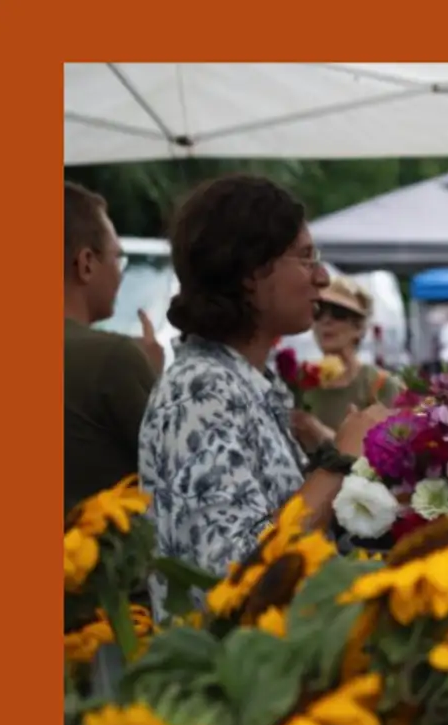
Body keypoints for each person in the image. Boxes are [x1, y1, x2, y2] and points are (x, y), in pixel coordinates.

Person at [138, 174, 390, 580]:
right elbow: (232, 571)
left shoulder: (245, 383)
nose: (322, 278)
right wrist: (338, 462)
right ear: (251, 271)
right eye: (306, 258)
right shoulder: (200, 391)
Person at [63, 181, 163, 515]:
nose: (119, 273)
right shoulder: (112, 359)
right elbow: (177, 475)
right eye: (117, 257)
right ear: (86, 263)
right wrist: (152, 374)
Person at [289, 276, 401, 444]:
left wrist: (322, 434)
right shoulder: (299, 381)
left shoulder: (381, 385)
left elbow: (390, 455)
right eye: (319, 312)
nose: (326, 321)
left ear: (359, 327)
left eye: (338, 314)